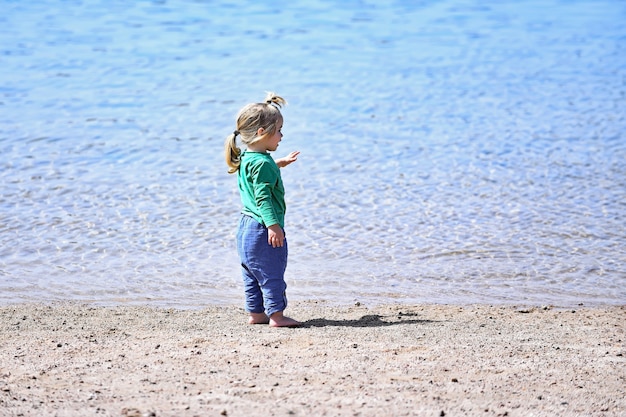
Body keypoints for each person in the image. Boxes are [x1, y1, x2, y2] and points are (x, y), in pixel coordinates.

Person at [224, 92, 301, 327]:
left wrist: (278, 163)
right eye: (278, 130)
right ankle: (277, 316)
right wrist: (273, 226)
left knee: (251, 273)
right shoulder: (263, 163)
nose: (281, 135)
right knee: (271, 273)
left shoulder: (247, 157)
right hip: (262, 228)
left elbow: (257, 175)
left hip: (245, 227)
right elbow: (263, 198)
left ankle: (256, 314)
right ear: (262, 133)